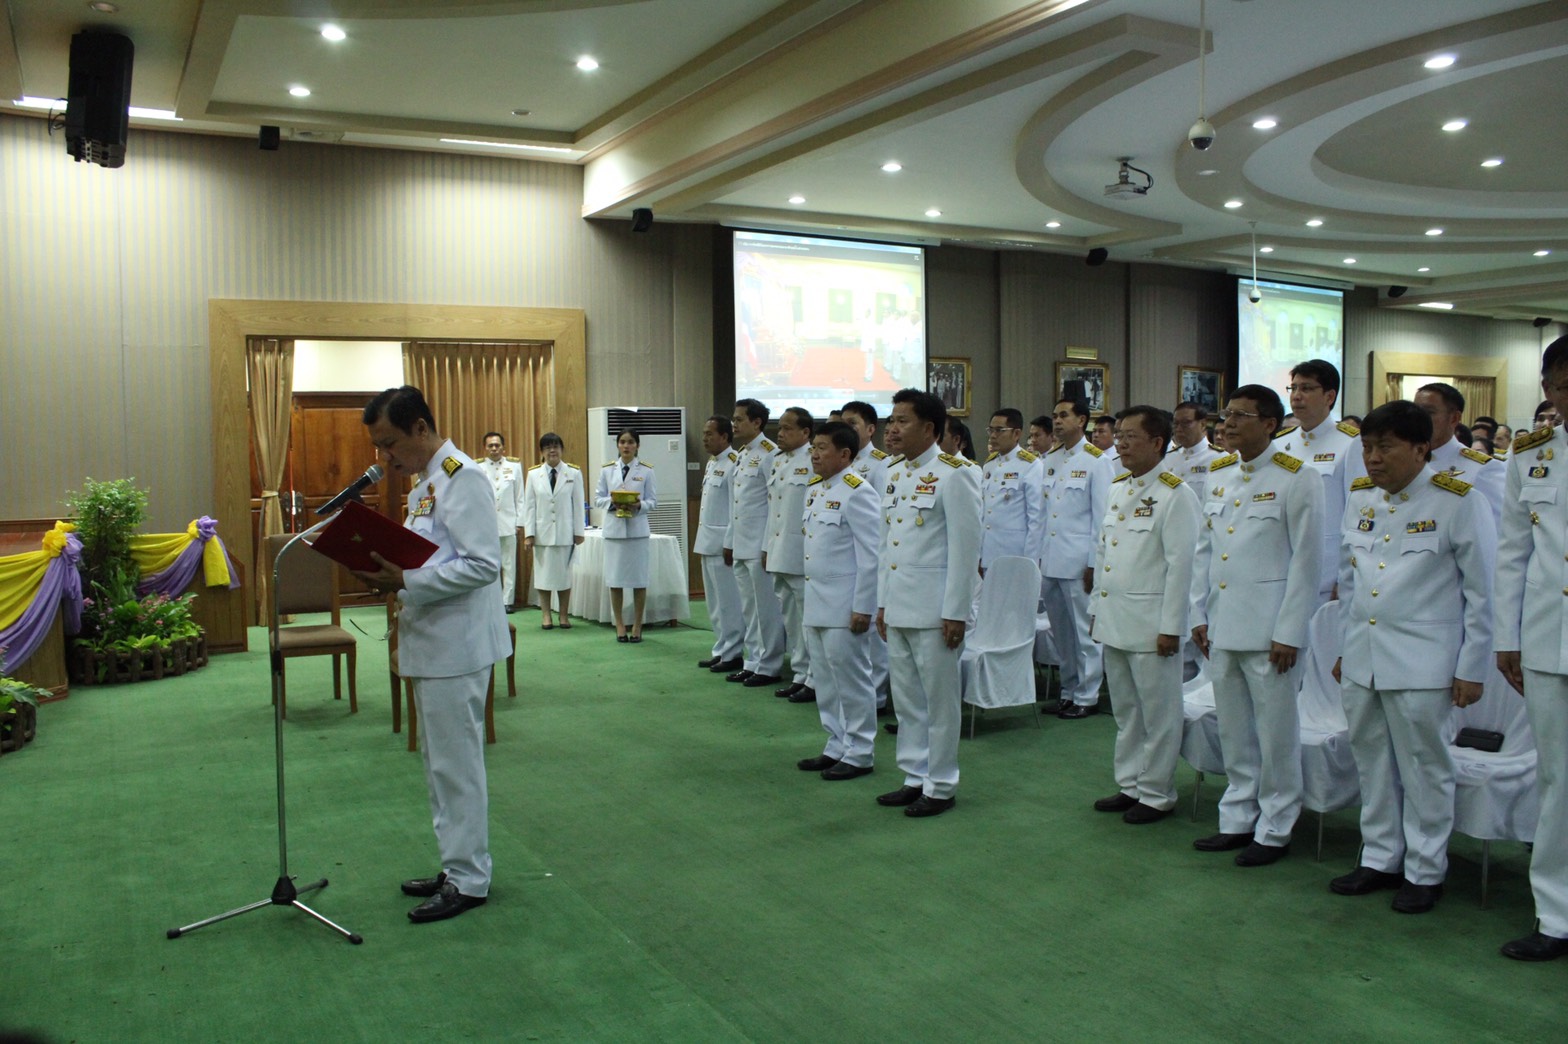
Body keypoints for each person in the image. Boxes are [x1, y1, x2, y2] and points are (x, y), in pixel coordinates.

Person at [1330, 401, 1494, 915]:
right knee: (1371, 757)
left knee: (1425, 766)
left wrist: (1471, 667)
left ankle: (1425, 868)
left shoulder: (1458, 501)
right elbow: (1350, 581)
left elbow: (1483, 593)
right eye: (1367, 448)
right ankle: (1380, 856)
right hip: (1364, 655)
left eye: (1385, 448)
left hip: (1425, 659)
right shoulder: (1361, 499)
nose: (1373, 459)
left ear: (1422, 449)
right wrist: (1342, 647)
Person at [354, 385, 510, 923]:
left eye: (390, 443)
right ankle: (455, 864)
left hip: (457, 645)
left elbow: (483, 564)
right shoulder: (428, 481)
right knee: (438, 764)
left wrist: (407, 580)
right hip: (434, 638)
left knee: (456, 765)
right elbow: (435, 554)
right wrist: (393, 577)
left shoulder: (463, 477)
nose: (385, 457)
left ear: (421, 428)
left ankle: (469, 878)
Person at [1190, 384, 1321, 867]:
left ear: (1269, 424)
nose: (1227, 424)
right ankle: (1238, 818)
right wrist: (1198, 614)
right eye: (1226, 415)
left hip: (1270, 632)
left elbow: (1308, 562)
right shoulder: (1220, 475)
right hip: (1224, 624)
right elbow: (1206, 553)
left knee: (1276, 733)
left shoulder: (1297, 477)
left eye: (1240, 416)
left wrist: (1290, 631)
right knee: (1234, 730)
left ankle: (1276, 825)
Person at [1088, 406, 1199, 824]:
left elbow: (1181, 567)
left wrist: (1172, 627)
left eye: (1130, 436)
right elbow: (1105, 555)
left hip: (1153, 625)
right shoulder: (1119, 488)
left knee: (1159, 713)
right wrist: (1097, 609)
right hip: (1116, 618)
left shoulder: (1176, 495)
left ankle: (1156, 793)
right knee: (1127, 711)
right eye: (1118, 435)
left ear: (1157, 442)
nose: (1120, 443)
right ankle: (1130, 784)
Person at [876, 388, 982, 817]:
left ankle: (940, 783)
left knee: (939, 702)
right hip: (900, 604)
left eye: (902, 421)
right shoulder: (893, 473)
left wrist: (956, 612)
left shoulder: (956, 474)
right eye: (891, 421)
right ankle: (913, 774)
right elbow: (888, 547)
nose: (893, 429)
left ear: (930, 429)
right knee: (907, 700)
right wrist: (883, 603)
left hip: (936, 610)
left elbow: (965, 550)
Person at [1496, 333, 1568, 960]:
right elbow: (1513, 550)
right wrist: (1507, 636)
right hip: (1548, 638)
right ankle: (1556, 915)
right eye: (1564, 386)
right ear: (1548, 390)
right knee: (1558, 779)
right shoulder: (1533, 452)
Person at [796, 421, 880, 779]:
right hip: (817, 600)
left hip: (845, 605)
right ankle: (836, 743)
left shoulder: (857, 491)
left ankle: (860, 751)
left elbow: (871, 555)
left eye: (822, 448)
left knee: (852, 680)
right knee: (826, 681)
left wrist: (864, 607)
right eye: (813, 447)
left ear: (845, 455)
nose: (814, 454)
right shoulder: (815, 489)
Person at [1040, 397, 1116, 719]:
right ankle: (1068, 690)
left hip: (1078, 563)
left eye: (1064, 416)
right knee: (1062, 633)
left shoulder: (1097, 461)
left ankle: (1087, 695)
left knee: (1085, 633)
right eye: (1055, 416)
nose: (1056, 422)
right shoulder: (1052, 459)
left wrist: (1092, 563)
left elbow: (1102, 519)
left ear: (1081, 420)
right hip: (1051, 560)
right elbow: (1045, 516)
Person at [1341, 383, 1504, 527]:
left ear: (1454, 418)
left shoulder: (1481, 469)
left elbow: (1495, 531)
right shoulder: (1388, 456)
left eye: (1429, 412)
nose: (1418, 418)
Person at [1273, 359, 1356, 601]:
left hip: (1326, 571)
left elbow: (1358, 513)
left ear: (1329, 396)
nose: (1297, 396)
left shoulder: (1351, 443)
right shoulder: (1279, 444)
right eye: (1294, 388)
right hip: (1281, 566)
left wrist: (1346, 576)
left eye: (1307, 389)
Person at [725, 399, 786, 687]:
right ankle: (753, 660)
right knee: (748, 608)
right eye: (734, 419)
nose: (734, 424)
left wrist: (766, 546)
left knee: (766, 609)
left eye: (739, 419)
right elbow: (737, 504)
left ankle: (770, 664)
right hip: (741, 543)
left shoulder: (769, 453)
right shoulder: (742, 454)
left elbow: (774, 504)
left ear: (757, 422)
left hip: (759, 544)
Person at [842, 400, 892, 709]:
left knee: (874, 637)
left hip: (870, 559)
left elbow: (883, 518)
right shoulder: (840, 462)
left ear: (870, 429)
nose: (846, 430)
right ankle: (858, 694)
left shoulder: (881, 464)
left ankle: (876, 696)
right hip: (846, 563)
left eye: (853, 424)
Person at [766, 407, 816, 702]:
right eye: (779, 429)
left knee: (807, 618)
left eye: (786, 429)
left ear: (805, 432)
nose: (780, 434)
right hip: (778, 550)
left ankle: (814, 677)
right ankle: (800, 672)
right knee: (791, 617)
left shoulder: (814, 460)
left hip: (801, 553)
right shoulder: (779, 461)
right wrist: (766, 547)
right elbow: (773, 510)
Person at [595, 429, 657, 643]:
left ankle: (638, 625)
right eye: (622, 442)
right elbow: (598, 498)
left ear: (637, 445)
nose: (626, 446)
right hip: (614, 531)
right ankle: (620, 624)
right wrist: (613, 503)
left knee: (639, 581)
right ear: (617, 445)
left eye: (630, 442)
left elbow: (653, 501)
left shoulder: (646, 471)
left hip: (637, 532)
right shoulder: (607, 470)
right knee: (616, 580)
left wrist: (638, 504)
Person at [695, 415, 744, 674]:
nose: (705, 438)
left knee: (728, 603)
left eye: (709, 434)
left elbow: (734, 507)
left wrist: (730, 542)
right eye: (704, 434)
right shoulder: (713, 463)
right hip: (707, 541)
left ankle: (733, 651)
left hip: (723, 543)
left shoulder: (734, 463)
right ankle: (721, 648)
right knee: (714, 603)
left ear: (725, 437)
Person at [521, 432, 585, 629]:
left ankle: (564, 616)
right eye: (548, 447)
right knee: (543, 577)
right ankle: (546, 615)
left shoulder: (573, 473)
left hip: (565, 534)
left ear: (561, 449)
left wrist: (579, 531)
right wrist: (529, 534)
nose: (552, 450)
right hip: (542, 534)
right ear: (542, 451)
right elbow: (529, 506)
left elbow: (578, 505)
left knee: (564, 577)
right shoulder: (533, 474)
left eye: (556, 446)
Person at [980, 408, 1044, 573]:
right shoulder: (989, 464)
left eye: (1000, 430)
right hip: (988, 553)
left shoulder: (1030, 465)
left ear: (1016, 434)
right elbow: (983, 513)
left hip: (1015, 554)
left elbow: (1035, 519)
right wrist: (979, 554)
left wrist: (1030, 561)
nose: (993, 435)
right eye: (991, 430)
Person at [477, 432, 525, 611]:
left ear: (503, 448)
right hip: (486, 525)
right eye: (490, 446)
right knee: (490, 565)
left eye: (497, 445)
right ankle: (492, 600)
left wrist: (519, 522)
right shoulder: (478, 468)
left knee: (509, 564)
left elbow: (520, 497)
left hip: (508, 523)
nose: (494, 449)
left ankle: (507, 601)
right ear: (485, 448)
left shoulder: (514, 467)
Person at [1163, 401, 1221, 501]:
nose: (1179, 429)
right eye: (1176, 423)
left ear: (1202, 424)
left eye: (1186, 423)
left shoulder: (1219, 458)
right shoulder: (1167, 458)